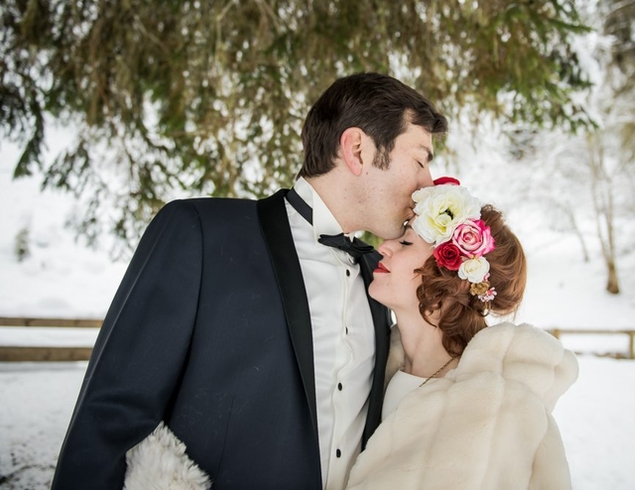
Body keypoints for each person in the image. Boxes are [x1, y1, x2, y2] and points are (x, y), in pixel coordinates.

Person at [51, 72, 448, 489]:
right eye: (420, 159)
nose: (427, 184)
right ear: (357, 150)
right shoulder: (200, 233)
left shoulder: (382, 280)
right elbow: (111, 418)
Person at [346, 178, 579, 489]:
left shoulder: (496, 409)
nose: (383, 246)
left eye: (405, 243)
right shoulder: (371, 359)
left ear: (448, 278)